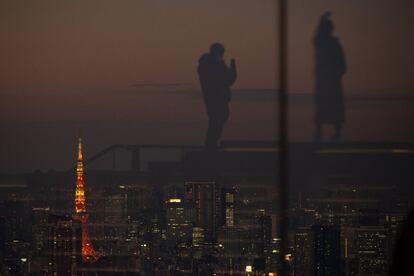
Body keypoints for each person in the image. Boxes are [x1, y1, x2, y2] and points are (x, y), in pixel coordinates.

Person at [314, 12, 346, 141]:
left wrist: (335, 74)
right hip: (325, 81)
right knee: (324, 107)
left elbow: (342, 64)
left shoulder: (332, 45)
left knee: (330, 107)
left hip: (330, 81)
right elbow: (316, 38)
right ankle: (321, 133)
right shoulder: (324, 44)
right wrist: (322, 19)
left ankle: (332, 133)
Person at [197, 43, 237, 149]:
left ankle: (211, 143)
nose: (223, 55)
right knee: (217, 118)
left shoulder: (210, 64)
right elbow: (228, 79)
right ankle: (210, 143)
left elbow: (228, 79)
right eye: (222, 53)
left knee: (218, 118)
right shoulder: (213, 64)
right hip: (216, 98)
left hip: (214, 97)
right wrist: (232, 67)